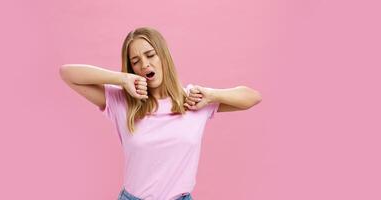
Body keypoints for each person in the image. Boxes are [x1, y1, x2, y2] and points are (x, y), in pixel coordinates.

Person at [59, 27, 262, 200]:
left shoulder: (194, 100)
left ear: (163, 55)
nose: (145, 65)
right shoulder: (123, 101)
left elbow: (252, 97)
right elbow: (67, 73)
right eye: (135, 61)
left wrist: (211, 94)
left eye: (150, 55)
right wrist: (122, 79)